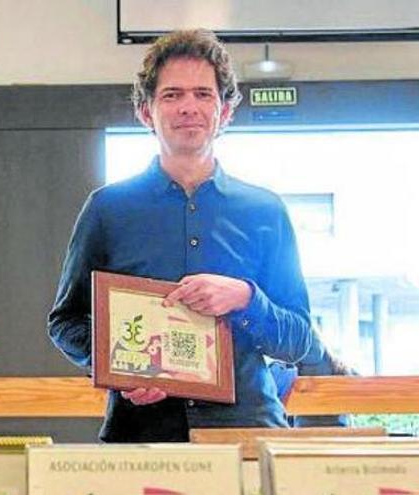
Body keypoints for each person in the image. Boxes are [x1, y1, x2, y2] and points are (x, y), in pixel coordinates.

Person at [47, 29, 317, 442]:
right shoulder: (107, 209)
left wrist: (246, 299)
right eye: (172, 95)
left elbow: (298, 339)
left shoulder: (265, 210)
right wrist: (120, 371)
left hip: (245, 430)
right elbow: (66, 322)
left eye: (203, 94)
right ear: (146, 112)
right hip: (140, 433)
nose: (188, 107)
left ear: (225, 111)